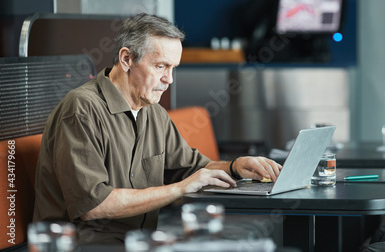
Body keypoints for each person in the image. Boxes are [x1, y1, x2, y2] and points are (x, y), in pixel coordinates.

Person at [32, 13, 282, 245]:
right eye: (161, 66)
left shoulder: (153, 112)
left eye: (173, 68)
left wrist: (235, 167)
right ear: (127, 59)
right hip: (83, 245)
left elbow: (190, 168)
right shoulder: (81, 109)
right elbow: (93, 205)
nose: (169, 79)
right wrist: (180, 189)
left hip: (142, 240)